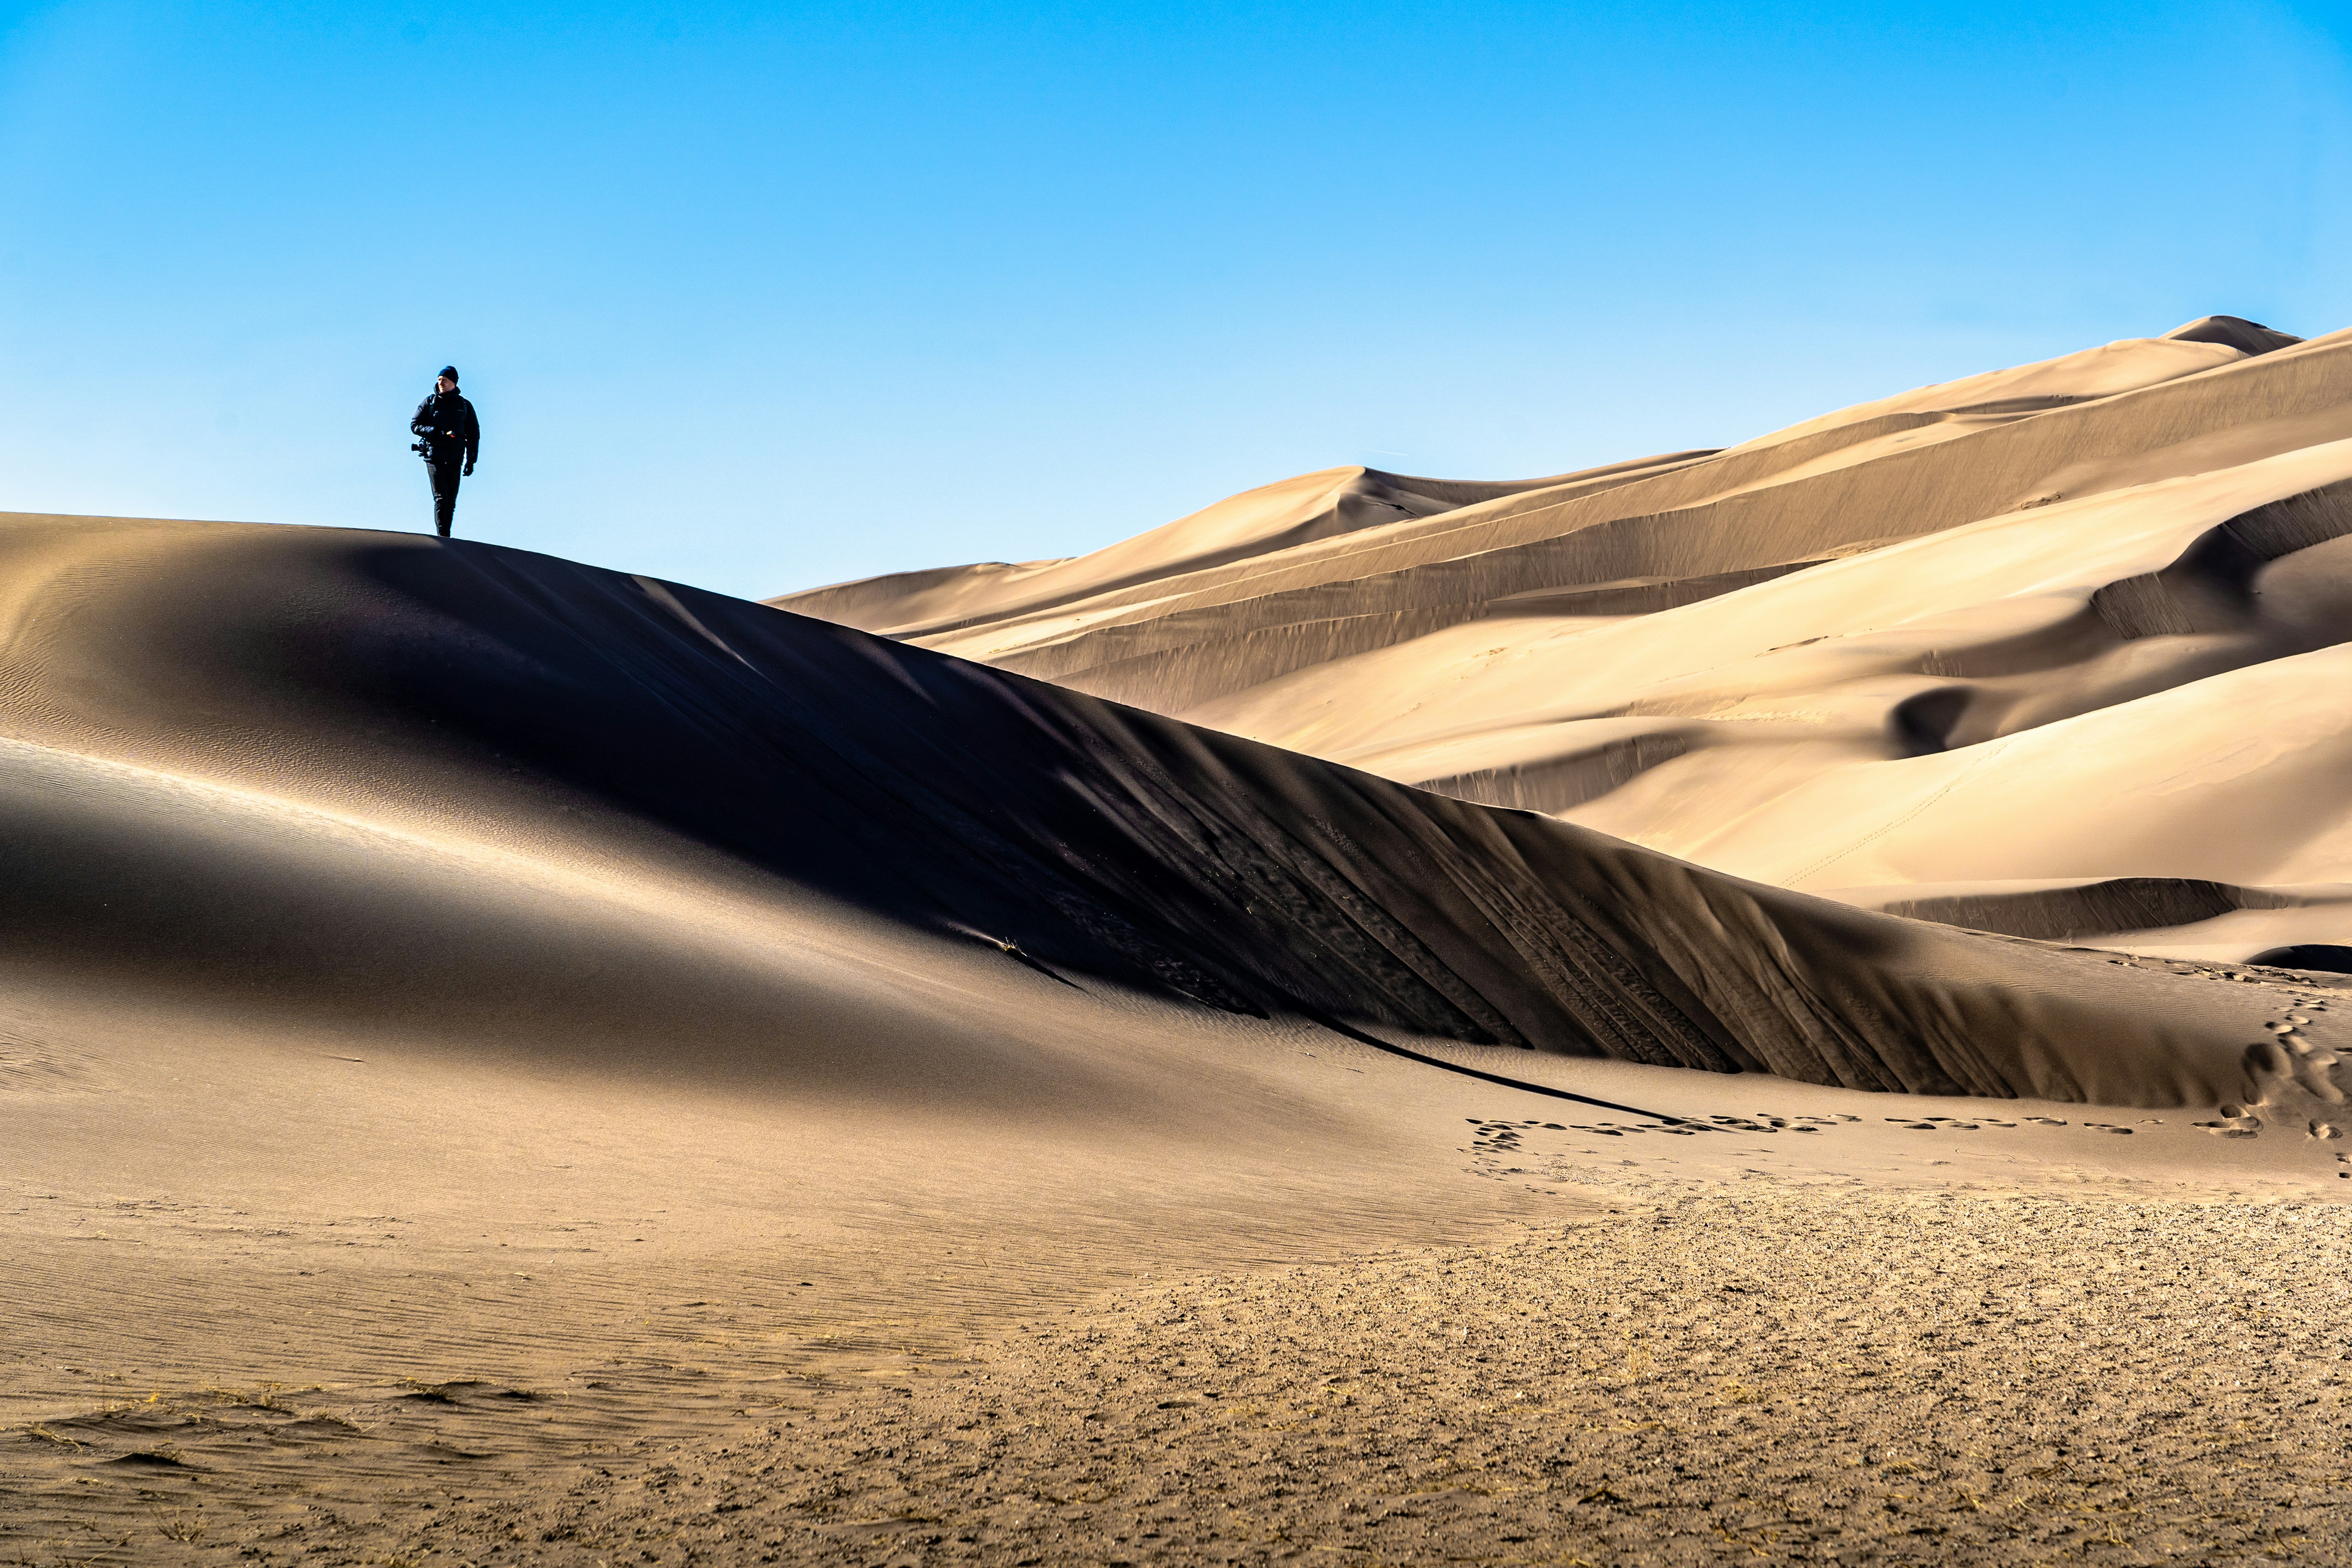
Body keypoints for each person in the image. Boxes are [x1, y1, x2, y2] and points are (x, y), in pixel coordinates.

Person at [410, 367, 481, 537]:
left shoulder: (464, 405)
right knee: (441, 497)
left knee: (451, 501)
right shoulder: (430, 402)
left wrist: (471, 460)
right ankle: (443, 537)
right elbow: (415, 425)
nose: (440, 383)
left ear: (454, 383)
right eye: (439, 379)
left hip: (456, 458)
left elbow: (474, 434)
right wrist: (435, 432)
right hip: (434, 456)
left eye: (445, 380)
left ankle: (447, 538)